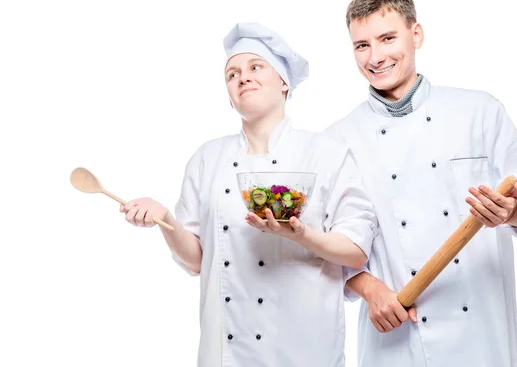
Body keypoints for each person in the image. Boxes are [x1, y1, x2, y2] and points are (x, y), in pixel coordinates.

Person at [119, 22, 377, 367]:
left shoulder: (326, 154)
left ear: (284, 82)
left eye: (256, 67)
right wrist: (166, 219)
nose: (243, 77)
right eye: (232, 74)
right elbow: (196, 260)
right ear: (229, 95)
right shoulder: (207, 159)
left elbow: (356, 252)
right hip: (226, 354)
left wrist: (303, 235)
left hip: (305, 350)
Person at [325, 0, 517, 367]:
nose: (375, 56)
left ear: (416, 35)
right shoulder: (337, 141)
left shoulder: (479, 111)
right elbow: (328, 246)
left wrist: (512, 210)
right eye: (361, 45)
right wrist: (368, 288)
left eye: (387, 38)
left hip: (482, 333)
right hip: (398, 335)